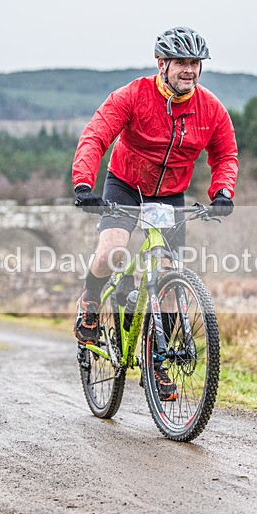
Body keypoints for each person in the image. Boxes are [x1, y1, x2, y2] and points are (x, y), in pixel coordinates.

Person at [71, 26, 239, 401]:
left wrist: (222, 192)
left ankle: (157, 360)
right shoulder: (134, 95)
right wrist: (83, 184)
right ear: (162, 63)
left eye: (195, 63)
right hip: (126, 185)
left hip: (170, 195)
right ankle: (91, 302)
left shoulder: (210, 108)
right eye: (181, 62)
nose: (189, 70)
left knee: (168, 275)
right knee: (112, 249)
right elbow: (96, 135)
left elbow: (225, 154)